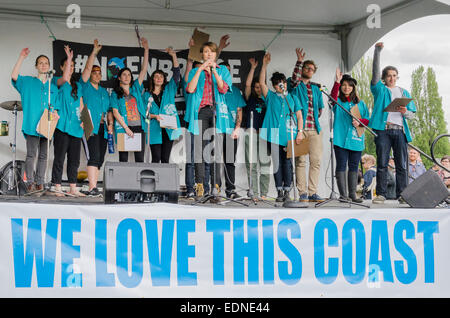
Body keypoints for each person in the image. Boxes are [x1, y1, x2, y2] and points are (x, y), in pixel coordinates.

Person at [369, 42, 417, 204]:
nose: (392, 78)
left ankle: (403, 194)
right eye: (389, 75)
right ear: (384, 77)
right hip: (383, 130)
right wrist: (377, 52)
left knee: (401, 165)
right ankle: (381, 194)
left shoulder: (404, 92)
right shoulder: (380, 89)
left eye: (394, 75)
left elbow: (412, 116)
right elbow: (374, 74)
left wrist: (406, 112)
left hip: (400, 132)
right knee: (382, 162)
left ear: (397, 77)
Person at [185, 41, 233, 200]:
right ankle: (200, 187)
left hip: (217, 112)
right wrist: (200, 69)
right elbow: (190, 89)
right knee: (199, 150)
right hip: (200, 112)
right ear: (202, 55)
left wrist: (214, 72)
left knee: (216, 152)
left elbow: (223, 89)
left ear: (215, 55)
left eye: (211, 52)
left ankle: (215, 188)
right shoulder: (194, 71)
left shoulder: (223, 70)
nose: (208, 55)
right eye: (205, 52)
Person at [11, 48, 60, 195]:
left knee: (44, 155)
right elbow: (14, 76)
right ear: (36, 66)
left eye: (46, 63)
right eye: (41, 63)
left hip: (47, 126)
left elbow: (55, 107)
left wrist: (54, 115)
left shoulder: (53, 87)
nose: (44, 65)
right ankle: (30, 183)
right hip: (32, 125)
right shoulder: (27, 82)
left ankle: (40, 182)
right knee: (31, 154)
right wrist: (21, 57)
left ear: (49, 66)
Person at [259, 52, 304, 202]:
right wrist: (264, 65)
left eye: (283, 82)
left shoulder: (292, 97)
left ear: (286, 83)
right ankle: (279, 191)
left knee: (288, 163)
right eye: (278, 83)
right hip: (274, 135)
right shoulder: (270, 97)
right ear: (274, 86)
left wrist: (300, 132)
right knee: (277, 163)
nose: (281, 85)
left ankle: (287, 191)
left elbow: (299, 116)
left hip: (290, 135)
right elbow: (262, 83)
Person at [289, 48, 325, 202]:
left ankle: (312, 192)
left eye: (312, 69)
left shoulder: (316, 89)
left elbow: (320, 108)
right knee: (301, 161)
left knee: (316, 161)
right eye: (307, 68)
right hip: (300, 129)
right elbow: (294, 78)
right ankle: (302, 192)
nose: (309, 71)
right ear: (303, 69)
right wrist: (299, 61)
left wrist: (316, 116)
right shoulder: (296, 85)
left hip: (315, 128)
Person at [79, 39, 113, 197]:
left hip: (103, 128)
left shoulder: (104, 92)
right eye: (95, 72)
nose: (98, 75)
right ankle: (93, 187)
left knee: (99, 158)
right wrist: (94, 53)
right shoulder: (84, 85)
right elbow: (86, 68)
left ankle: (92, 186)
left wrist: (110, 124)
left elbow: (109, 110)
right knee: (93, 156)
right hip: (89, 124)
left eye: (100, 73)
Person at [50, 45, 85, 197]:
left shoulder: (77, 86)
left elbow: (81, 104)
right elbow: (64, 78)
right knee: (59, 157)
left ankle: (72, 187)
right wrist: (70, 58)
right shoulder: (58, 81)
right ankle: (57, 185)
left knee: (74, 159)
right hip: (62, 126)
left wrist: (84, 120)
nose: (70, 68)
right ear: (62, 67)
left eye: (72, 66)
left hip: (76, 127)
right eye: (68, 66)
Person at [330, 69, 369, 203]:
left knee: (354, 166)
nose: (347, 87)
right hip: (340, 139)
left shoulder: (360, 103)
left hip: (356, 140)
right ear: (341, 87)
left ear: (353, 88)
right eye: (344, 85)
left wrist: (360, 122)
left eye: (350, 85)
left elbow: (368, 120)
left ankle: (352, 194)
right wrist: (336, 81)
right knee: (341, 164)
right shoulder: (338, 101)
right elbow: (332, 98)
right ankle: (343, 195)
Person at [111, 37, 149, 163]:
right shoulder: (115, 94)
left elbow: (143, 70)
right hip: (123, 127)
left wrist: (146, 49)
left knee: (139, 158)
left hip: (139, 126)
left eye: (129, 74)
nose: (127, 77)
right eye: (124, 74)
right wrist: (126, 128)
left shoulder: (136, 88)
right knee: (123, 159)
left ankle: (139, 183)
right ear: (119, 78)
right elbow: (115, 112)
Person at [143, 46, 182, 164]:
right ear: (152, 79)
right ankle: (154, 182)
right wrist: (155, 117)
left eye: (161, 76)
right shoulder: (146, 95)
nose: (159, 78)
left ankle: (164, 182)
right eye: (156, 76)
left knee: (165, 159)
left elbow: (176, 74)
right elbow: (144, 114)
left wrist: (174, 56)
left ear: (164, 79)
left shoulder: (169, 89)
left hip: (168, 129)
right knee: (156, 158)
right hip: (154, 129)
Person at [243, 57, 270, 201]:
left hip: (264, 134)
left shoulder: (268, 99)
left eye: (260, 86)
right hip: (251, 133)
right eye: (256, 87)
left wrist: (264, 66)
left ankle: (264, 193)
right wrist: (253, 68)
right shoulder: (250, 98)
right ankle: (253, 193)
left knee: (265, 164)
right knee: (251, 164)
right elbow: (247, 85)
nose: (258, 88)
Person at [219, 61, 246, 199]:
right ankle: (215, 191)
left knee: (230, 161)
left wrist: (237, 128)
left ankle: (230, 190)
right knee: (215, 161)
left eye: (228, 70)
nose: (226, 72)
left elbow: (239, 110)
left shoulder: (235, 91)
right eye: (223, 70)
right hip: (216, 129)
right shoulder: (214, 88)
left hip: (231, 130)